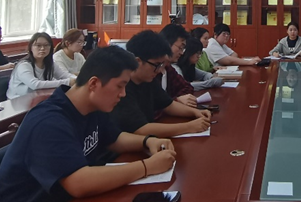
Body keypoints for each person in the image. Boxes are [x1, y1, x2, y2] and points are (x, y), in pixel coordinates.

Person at [0, 46, 176, 202]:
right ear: (93, 83)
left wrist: (148, 141)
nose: (123, 94)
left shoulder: (92, 107)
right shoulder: (49, 122)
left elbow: (114, 138)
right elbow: (78, 183)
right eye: (119, 86)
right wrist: (147, 167)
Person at [110, 30, 211, 137]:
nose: (159, 70)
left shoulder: (148, 80)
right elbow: (140, 129)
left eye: (161, 65)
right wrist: (189, 127)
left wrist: (195, 112)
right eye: (157, 65)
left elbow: (169, 105)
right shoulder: (122, 88)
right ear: (137, 62)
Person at [7, 32, 75, 99]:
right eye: (38, 45)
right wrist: (67, 82)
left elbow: (64, 75)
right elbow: (35, 85)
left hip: (38, 98)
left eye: (46, 45)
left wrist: (77, 80)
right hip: (18, 100)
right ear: (31, 48)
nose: (42, 48)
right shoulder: (24, 65)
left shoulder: (50, 63)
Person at [158, 23, 197, 107]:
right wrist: (176, 101)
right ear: (167, 43)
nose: (182, 53)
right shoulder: (152, 71)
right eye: (180, 48)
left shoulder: (168, 69)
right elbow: (154, 105)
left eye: (183, 49)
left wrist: (177, 100)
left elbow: (187, 87)